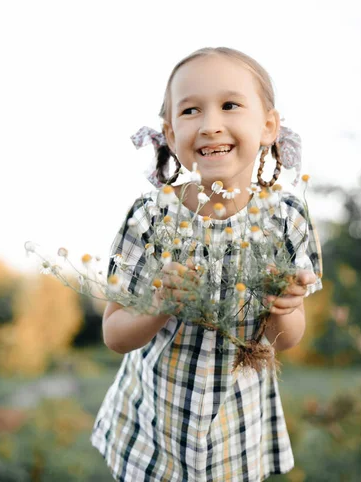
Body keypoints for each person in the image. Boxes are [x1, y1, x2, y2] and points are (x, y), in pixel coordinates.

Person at [91, 47, 323, 481]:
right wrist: (159, 303)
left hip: (236, 435)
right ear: (170, 132)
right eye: (191, 110)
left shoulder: (285, 218)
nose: (210, 123)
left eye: (230, 105)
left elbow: (286, 339)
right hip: (153, 433)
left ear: (269, 126)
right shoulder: (151, 217)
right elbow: (114, 334)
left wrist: (285, 307)